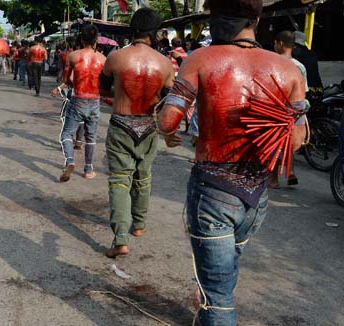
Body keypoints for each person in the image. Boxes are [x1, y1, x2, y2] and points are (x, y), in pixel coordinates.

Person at [156, 1, 307, 324]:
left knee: (219, 297)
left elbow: (169, 120)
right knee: (224, 274)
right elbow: (295, 141)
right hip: (256, 195)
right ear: (255, 19)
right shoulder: (288, 70)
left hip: (213, 190)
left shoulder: (201, 58)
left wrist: (164, 126)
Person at [99, 7, 174, 259]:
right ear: (154, 33)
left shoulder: (116, 57)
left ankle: (120, 238)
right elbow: (168, 101)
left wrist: (121, 94)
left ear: (133, 30)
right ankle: (139, 226)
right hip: (148, 125)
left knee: (119, 180)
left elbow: (104, 90)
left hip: (121, 122)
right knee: (143, 176)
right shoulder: (165, 63)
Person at [52, 24, 106, 182]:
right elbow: (105, 84)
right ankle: (88, 169)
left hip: (78, 98)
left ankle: (70, 160)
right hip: (95, 100)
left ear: (81, 39)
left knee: (66, 134)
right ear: (96, 39)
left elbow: (67, 80)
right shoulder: (103, 59)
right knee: (91, 137)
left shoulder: (73, 56)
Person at [270, 30, 308, 188]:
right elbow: (303, 91)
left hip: (276, 108)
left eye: (274, 43)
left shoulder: (272, 62)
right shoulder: (300, 66)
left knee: (274, 143)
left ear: (280, 43)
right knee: (289, 142)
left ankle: (273, 180)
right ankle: (290, 171)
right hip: (295, 109)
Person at [292, 31, 324, 100]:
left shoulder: (297, 56)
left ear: (295, 45)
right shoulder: (312, 54)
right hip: (319, 90)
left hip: (307, 93)